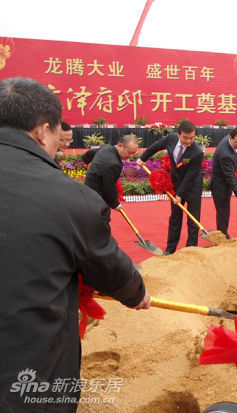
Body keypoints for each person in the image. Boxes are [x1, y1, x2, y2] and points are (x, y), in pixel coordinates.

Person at [0, 77, 150, 413]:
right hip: (25, 368)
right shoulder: (70, 197)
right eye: (57, 136)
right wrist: (136, 292)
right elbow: (106, 265)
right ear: (42, 130)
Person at [137, 121, 203, 253]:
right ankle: (170, 249)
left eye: (192, 138)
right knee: (175, 217)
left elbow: (190, 176)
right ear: (178, 134)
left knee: (193, 220)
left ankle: (191, 249)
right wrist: (143, 158)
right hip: (176, 183)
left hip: (192, 186)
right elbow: (156, 146)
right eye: (185, 137)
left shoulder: (197, 152)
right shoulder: (171, 138)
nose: (189, 141)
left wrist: (180, 195)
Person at [84, 134, 139, 210]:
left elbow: (89, 153)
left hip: (87, 190)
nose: (131, 156)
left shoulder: (106, 147)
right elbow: (109, 187)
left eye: (134, 153)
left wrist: (86, 161)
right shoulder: (114, 164)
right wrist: (116, 204)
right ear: (120, 146)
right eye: (129, 152)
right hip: (96, 197)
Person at [210, 127, 237, 238]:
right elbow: (230, 176)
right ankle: (222, 235)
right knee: (223, 212)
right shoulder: (225, 155)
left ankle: (222, 233)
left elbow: (235, 149)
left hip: (223, 182)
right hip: (220, 186)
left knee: (224, 211)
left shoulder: (229, 139)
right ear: (231, 138)